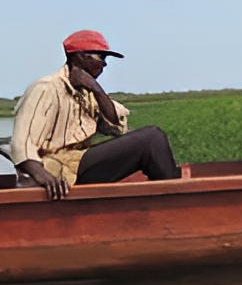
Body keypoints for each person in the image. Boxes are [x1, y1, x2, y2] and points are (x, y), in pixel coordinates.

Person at [10, 30, 181, 200]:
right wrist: (44, 177)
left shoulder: (88, 92)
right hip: (57, 170)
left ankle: (169, 198)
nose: (105, 64)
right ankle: (175, 200)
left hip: (77, 165)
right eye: (101, 57)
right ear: (80, 56)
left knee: (151, 141)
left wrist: (96, 89)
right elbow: (22, 144)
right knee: (151, 138)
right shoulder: (46, 88)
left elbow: (115, 125)